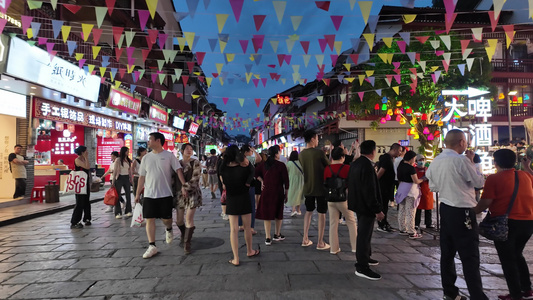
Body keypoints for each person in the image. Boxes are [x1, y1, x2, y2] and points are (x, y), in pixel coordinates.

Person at [426, 129, 488, 300]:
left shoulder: (436, 161)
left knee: (447, 253)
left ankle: (450, 292)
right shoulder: (461, 161)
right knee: (469, 256)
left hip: (446, 208)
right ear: (461, 142)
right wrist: (472, 162)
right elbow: (478, 182)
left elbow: (433, 186)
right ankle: (477, 295)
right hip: (463, 210)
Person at [474, 150, 533, 300]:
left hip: (506, 224)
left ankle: (515, 294)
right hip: (528, 223)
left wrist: (471, 211)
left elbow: (486, 202)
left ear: (495, 162)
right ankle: (526, 289)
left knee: (508, 260)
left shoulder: (494, 178)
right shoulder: (525, 175)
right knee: (517, 254)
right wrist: (527, 167)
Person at [134, 132, 188, 259]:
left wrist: (184, 185)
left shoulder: (169, 156)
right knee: (149, 219)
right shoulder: (146, 158)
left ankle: (169, 228)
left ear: (158, 141)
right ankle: (152, 245)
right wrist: (137, 194)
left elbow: (178, 170)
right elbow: (142, 177)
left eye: (150, 139)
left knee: (166, 219)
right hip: (149, 194)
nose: (148, 142)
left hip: (165, 193)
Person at [347, 140, 384, 281]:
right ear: (373, 151)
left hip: (357, 203)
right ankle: (362, 266)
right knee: (363, 234)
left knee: (365, 233)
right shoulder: (367, 166)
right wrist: (377, 209)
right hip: (366, 205)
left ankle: (366, 257)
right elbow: (370, 190)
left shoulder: (356, 163)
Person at [219, 145, 260, 266]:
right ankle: (249, 251)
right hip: (244, 197)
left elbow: (223, 183)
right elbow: (253, 171)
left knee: (233, 229)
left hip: (231, 198)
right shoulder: (245, 166)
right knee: (247, 227)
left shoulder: (223, 168)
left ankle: (236, 258)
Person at [299, 129, 330, 250]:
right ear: (312, 139)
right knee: (322, 213)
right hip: (321, 187)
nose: (318, 140)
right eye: (317, 138)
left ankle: (305, 239)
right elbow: (329, 166)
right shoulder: (319, 153)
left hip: (308, 187)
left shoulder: (301, 154)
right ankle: (320, 242)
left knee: (308, 211)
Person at [325, 147, 357, 255]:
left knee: (333, 223)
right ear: (342, 157)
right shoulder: (347, 168)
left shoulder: (327, 168)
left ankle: (334, 248)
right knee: (351, 222)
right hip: (343, 199)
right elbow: (351, 183)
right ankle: (355, 247)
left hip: (330, 199)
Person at [255, 146, 289, 246]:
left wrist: (262, 181)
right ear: (276, 154)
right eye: (279, 152)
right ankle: (277, 234)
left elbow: (255, 172)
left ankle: (267, 237)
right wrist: (286, 194)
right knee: (278, 213)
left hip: (266, 192)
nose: (280, 154)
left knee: (267, 214)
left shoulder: (264, 165)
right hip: (278, 192)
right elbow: (286, 181)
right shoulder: (281, 165)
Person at [175, 143, 203, 255]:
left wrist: (185, 188)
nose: (189, 150)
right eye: (187, 149)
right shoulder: (177, 163)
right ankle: (184, 233)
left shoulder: (195, 162)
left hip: (193, 194)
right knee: (179, 220)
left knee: (188, 219)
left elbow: (196, 178)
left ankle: (187, 243)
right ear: (182, 151)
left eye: (191, 149)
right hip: (179, 194)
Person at [395, 151, 424, 239]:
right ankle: (411, 232)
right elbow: (416, 181)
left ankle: (402, 228)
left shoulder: (400, 165)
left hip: (401, 189)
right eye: (414, 159)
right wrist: (423, 179)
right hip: (410, 191)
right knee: (410, 212)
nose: (415, 161)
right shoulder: (410, 168)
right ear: (411, 158)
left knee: (402, 210)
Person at [376, 143, 402, 232]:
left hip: (387, 186)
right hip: (383, 186)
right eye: (399, 151)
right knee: (383, 205)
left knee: (385, 206)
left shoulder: (390, 159)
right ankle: (381, 224)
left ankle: (384, 222)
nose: (400, 153)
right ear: (394, 150)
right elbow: (381, 172)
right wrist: (375, 182)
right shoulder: (386, 158)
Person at [238, 145, 262, 235]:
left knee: (240, 205)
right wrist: (254, 150)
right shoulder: (248, 159)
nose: (251, 153)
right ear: (247, 152)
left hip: (240, 184)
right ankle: (251, 227)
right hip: (250, 184)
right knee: (251, 206)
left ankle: (240, 225)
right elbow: (259, 159)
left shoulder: (237, 159)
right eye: (250, 151)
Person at [70, 146, 92, 228]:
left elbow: (88, 168)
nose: (87, 152)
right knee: (80, 202)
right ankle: (74, 221)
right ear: (82, 152)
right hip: (79, 184)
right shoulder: (77, 160)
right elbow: (87, 167)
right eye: (86, 151)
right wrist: (86, 158)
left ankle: (87, 218)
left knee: (86, 201)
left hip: (85, 182)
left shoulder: (84, 159)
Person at [414, 155, 434, 230]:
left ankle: (428, 223)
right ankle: (416, 223)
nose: (422, 161)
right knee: (418, 208)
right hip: (418, 190)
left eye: (423, 160)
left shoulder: (427, 169)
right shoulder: (414, 169)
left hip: (427, 191)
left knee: (428, 208)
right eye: (420, 160)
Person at [112, 147, 133, 219]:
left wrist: (131, 179)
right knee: (118, 195)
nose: (128, 152)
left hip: (126, 178)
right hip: (119, 178)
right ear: (123, 151)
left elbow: (130, 171)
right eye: (127, 151)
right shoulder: (118, 160)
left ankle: (128, 211)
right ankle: (118, 212)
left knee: (128, 195)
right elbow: (115, 171)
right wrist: (113, 181)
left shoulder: (128, 160)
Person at [286, 151, 304, 217]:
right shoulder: (300, 163)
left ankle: (293, 210)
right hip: (301, 180)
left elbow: (286, 171)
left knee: (293, 194)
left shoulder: (289, 163)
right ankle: (298, 210)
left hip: (292, 180)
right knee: (299, 194)